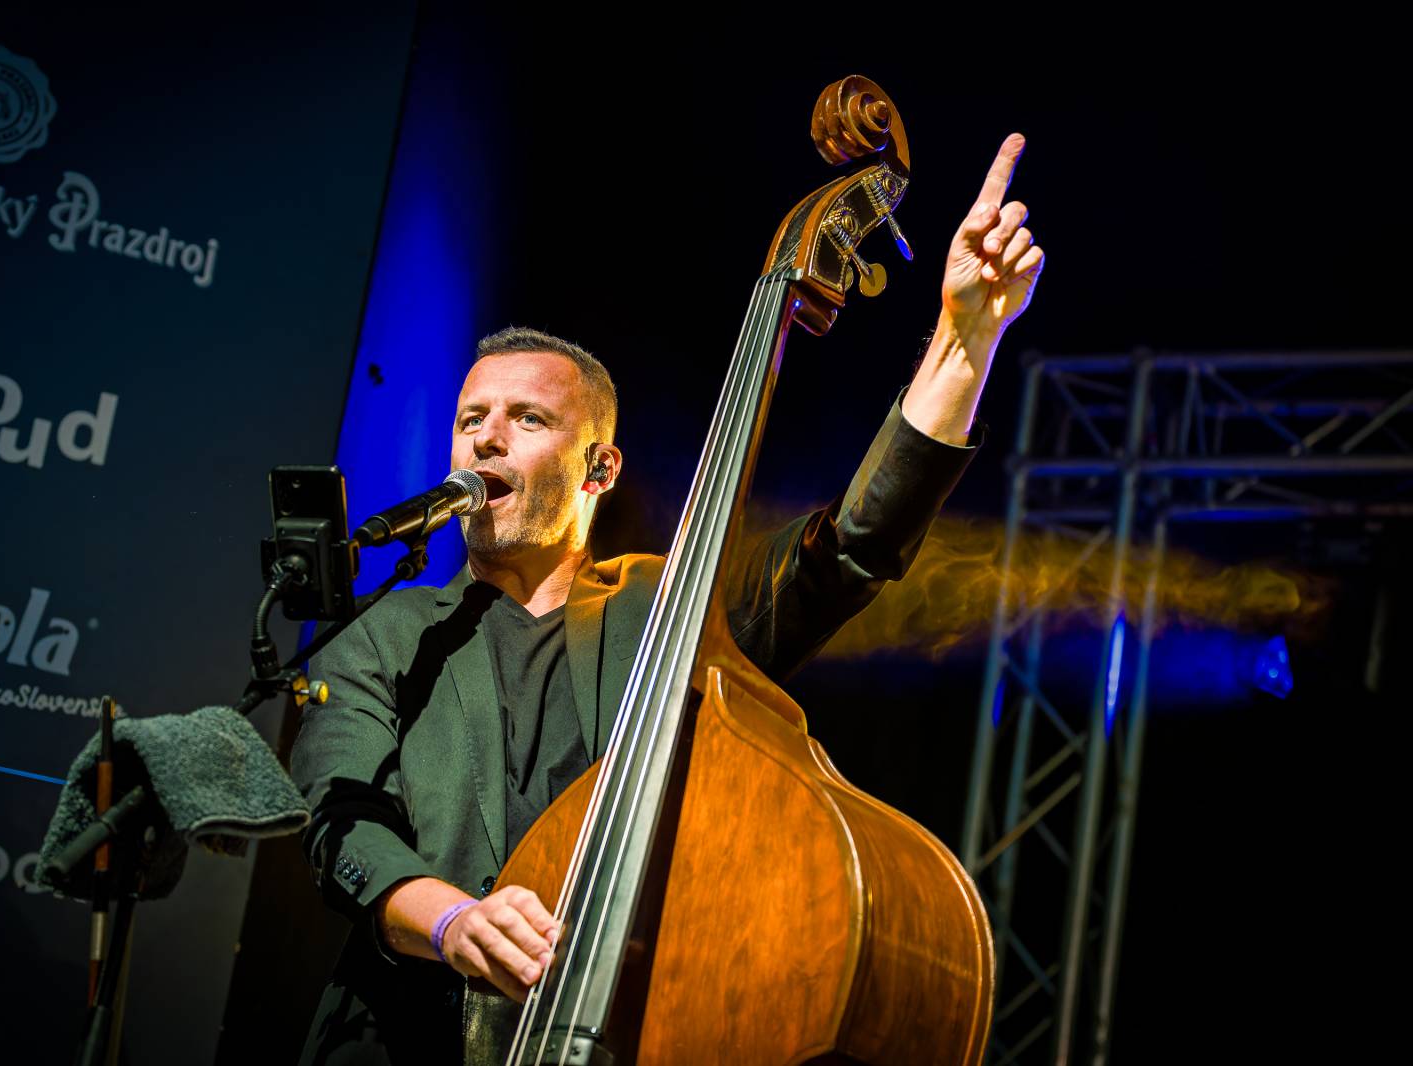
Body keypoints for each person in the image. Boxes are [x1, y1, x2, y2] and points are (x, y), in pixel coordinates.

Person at [291, 134, 1045, 1064]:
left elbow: (848, 547)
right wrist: (454, 924)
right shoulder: (384, 635)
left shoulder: (668, 609)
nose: (484, 442)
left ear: (599, 467)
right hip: (397, 1041)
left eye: (527, 420)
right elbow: (340, 823)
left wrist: (964, 342)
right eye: (469, 420)